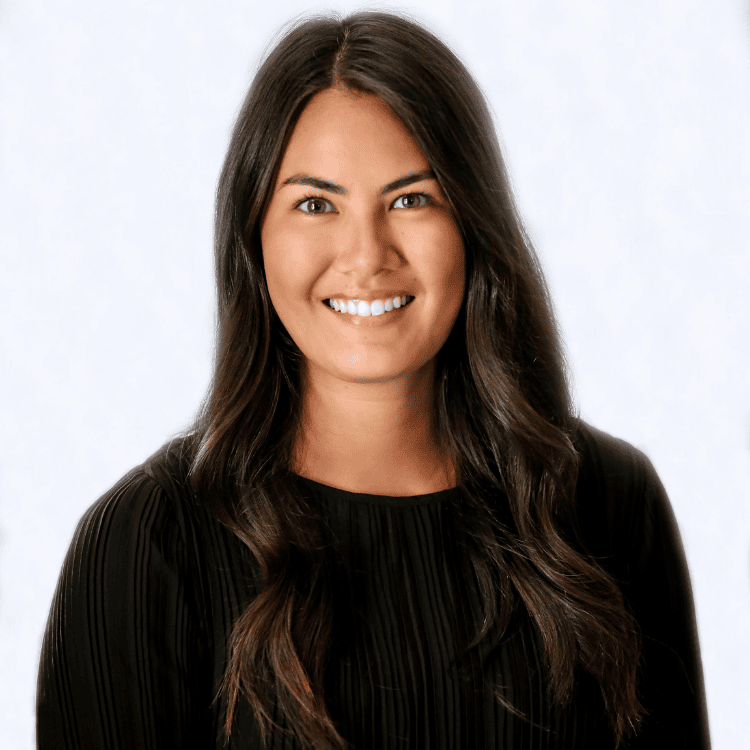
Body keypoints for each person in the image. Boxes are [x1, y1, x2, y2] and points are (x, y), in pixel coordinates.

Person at [36, 9, 710, 750]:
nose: (366, 254)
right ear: (253, 236)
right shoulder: (145, 547)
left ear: (474, 226)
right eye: (315, 204)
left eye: (412, 199)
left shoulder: (610, 508)